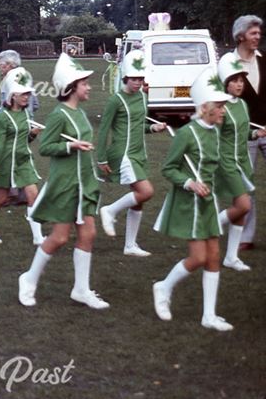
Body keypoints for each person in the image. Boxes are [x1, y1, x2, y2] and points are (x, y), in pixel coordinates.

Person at [18, 53, 109, 310]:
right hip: (66, 183)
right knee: (59, 238)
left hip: (84, 182)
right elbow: (46, 147)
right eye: (84, 83)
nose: (89, 87)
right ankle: (28, 279)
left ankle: (81, 289)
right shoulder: (59, 115)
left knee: (88, 233)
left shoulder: (79, 113)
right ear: (71, 87)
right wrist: (71, 145)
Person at [152, 67, 234, 331]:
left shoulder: (214, 132)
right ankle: (163, 287)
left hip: (208, 202)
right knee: (198, 257)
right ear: (206, 107)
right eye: (220, 106)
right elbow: (168, 168)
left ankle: (208, 316)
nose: (223, 110)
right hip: (189, 204)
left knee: (213, 256)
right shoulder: (186, 134)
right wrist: (189, 183)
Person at [96, 50, 168, 256]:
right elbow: (103, 131)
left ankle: (130, 245)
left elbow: (139, 124)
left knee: (140, 198)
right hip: (123, 152)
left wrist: (152, 128)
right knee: (146, 191)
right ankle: (109, 210)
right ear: (126, 78)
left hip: (139, 152)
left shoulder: (143, 97)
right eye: (134, 79)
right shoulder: (115, 100)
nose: (137, 83)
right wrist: (101, 158)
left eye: (140, 79)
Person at [0, 67, 44, 244]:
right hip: (7, 162)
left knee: (33, 194)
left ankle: (38, 237)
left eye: (28, 94)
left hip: (24, 161)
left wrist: (33, 134)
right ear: (12, 96)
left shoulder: (25, 113)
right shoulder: (3, 116)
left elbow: (23, 140)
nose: (27, 97)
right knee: (1, 198)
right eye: (23, 94)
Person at [215, 53, 266, 270]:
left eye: (241, 80)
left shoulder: (243, 106)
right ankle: (210, 223)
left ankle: (231, 256)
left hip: (242, 162)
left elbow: (244, 134)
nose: (239, 84)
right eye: (235, 80)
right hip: (227, 162)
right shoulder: (219, 108)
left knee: (241, 209)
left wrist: (257, 134)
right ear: (225, 83)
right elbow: (211, 137)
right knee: (244, 205)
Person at [232, 15, 264, 252]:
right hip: (245, 134)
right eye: (253, 33)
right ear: (240, 35)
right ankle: (246, 236)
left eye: (259, 33)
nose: (258, 37)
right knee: (246, 185)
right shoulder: (228, 65)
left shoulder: (264, 61)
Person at [0, 50, 39, 117]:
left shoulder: (11, 78)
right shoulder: (25, 74)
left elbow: (6, 104)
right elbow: (35, 104)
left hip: (13, 122)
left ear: (9, 65)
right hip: (27, 121)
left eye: (0, 64)